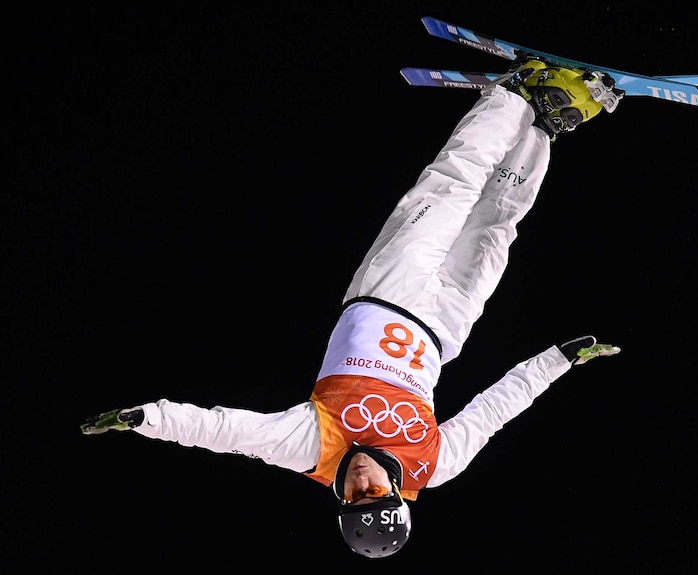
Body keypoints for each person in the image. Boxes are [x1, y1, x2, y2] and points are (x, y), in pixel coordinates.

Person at [80, 58, 624, 559]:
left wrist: (146, 420)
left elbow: (223, 432)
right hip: (446, 325)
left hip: (388, 290)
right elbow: (492, 410)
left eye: (356, 497)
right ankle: (543, 124)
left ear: (343, 502)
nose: (364, 481)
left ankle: (514, 94)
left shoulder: (311, 450)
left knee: (452, 187)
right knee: (495, 228)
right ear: (399, 496)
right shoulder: (435, 465)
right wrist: (559, 359)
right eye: (376, 493)